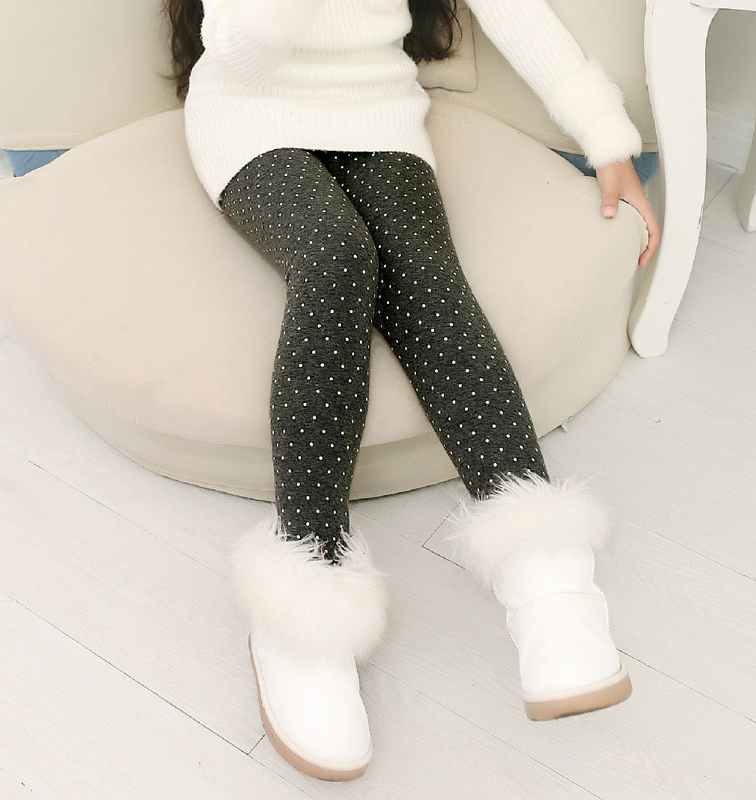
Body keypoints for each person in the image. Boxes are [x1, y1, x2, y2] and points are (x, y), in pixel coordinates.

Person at [164, 0, 661, 782]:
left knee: (428, 278)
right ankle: (306, 588)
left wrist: (608, 141)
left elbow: (519, 14)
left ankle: (548, 573)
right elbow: (240, 57)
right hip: (247, 113)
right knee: (336, 259)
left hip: (379, 111)